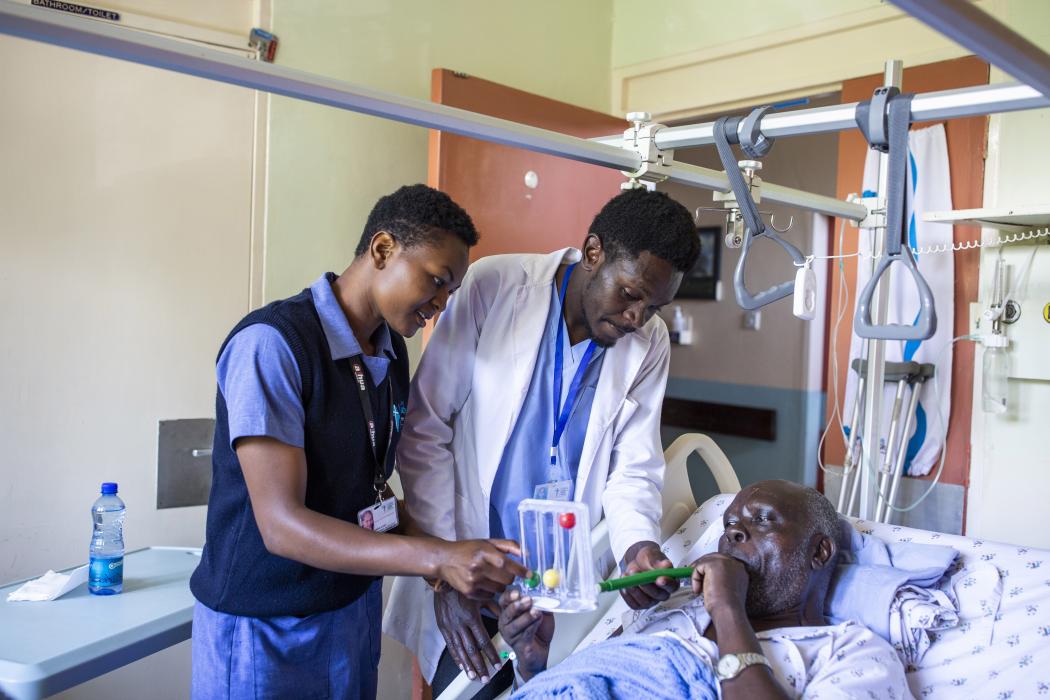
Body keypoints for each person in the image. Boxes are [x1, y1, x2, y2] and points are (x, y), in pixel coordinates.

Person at [189, 184, 529, 700]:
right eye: (435, 282)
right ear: (383, 249)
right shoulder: (273, 345)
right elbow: (282, 526)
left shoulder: (390, 353)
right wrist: (437, 561)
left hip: (349, 611)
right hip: (267, 623)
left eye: (449, 293)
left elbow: (369, 490)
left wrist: (455, 560)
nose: (438, 307)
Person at [385, 188, 702, 697]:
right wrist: (442, 570)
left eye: (654, 306)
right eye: (629, 294)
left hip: (557, 593)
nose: (636, 319)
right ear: (593, 251)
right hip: (468, 566)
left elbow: (634, 468)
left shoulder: (650, 341)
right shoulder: (496, 285)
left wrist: (637, 545)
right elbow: (426, 430)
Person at [499, 481, 911, 699]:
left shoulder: (853, 652)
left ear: (819, 551)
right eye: (730, 524)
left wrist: (726, 607)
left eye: (762, 521)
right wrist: (533, 666)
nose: (734, 532)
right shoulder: (672, 611)